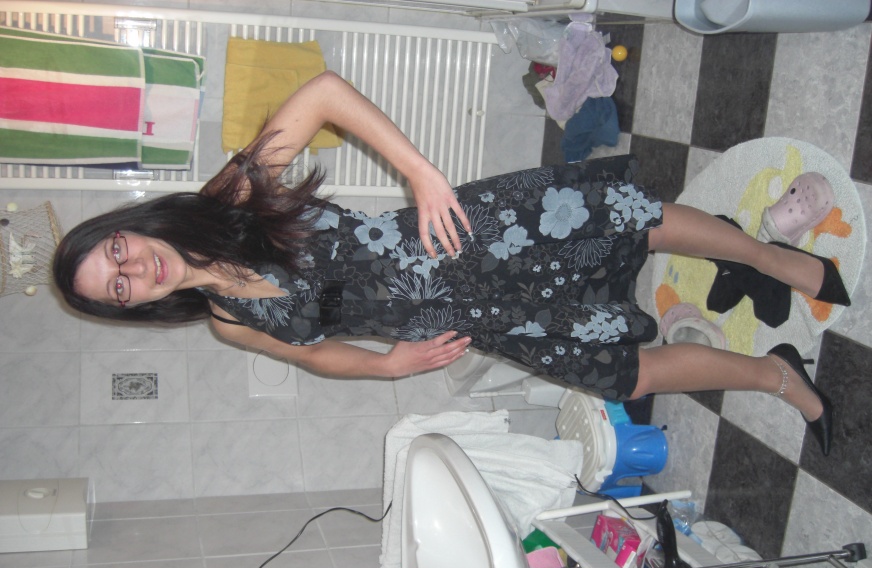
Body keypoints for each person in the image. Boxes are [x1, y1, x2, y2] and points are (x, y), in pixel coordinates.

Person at [53, 71, 849, 456]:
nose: (135, 270)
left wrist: (421, 174)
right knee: (623, 374)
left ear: (128, 227)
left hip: (465, 234)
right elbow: (313, 354)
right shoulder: (228, 322)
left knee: (632, 224)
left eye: (117, 251)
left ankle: (771, 260)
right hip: (469, 317)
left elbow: (323, 94)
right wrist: (386, 366)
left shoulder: (228, 199)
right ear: (131, 307)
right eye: (118, 287)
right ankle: (776, 377)